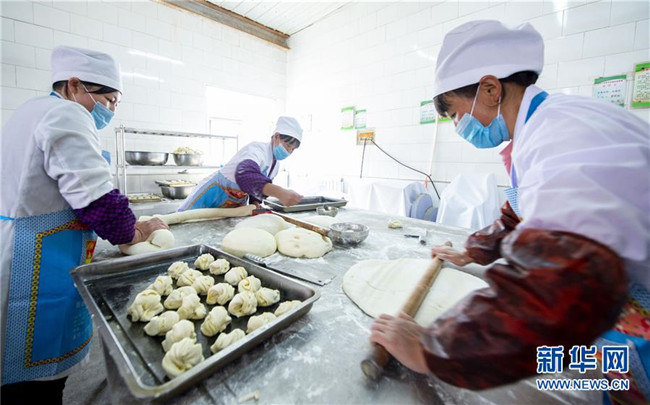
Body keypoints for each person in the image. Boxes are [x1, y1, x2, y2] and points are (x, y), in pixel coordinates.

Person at [369, 20, 649, 401]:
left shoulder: (560, 139)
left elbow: (558, 286)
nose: (459, 127)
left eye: (455, 115)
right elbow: (521, 213)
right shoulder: (543, 126)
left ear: (490, 89)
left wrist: (434, 348)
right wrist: (473, 251)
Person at [0, 46, 168, 404]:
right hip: (35, 265)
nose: (110, 110)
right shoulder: (66, 114)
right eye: (108, 101)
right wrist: (136, 231)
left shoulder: (31, 110)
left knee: (19, 384)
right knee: (35, 386)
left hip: (21, 250)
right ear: (74, 85)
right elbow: (99, 200)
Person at [178, 116, 304, 211]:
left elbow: (257, 187)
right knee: (186, 220)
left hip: (235, 203)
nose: (289, 152)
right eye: (288, 146)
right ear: (276, 136)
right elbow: (245, 174)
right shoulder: (257, 149)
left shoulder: (275, 165)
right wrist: (280, 192)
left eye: (292, 149)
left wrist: (255, 202)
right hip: (214, 193)